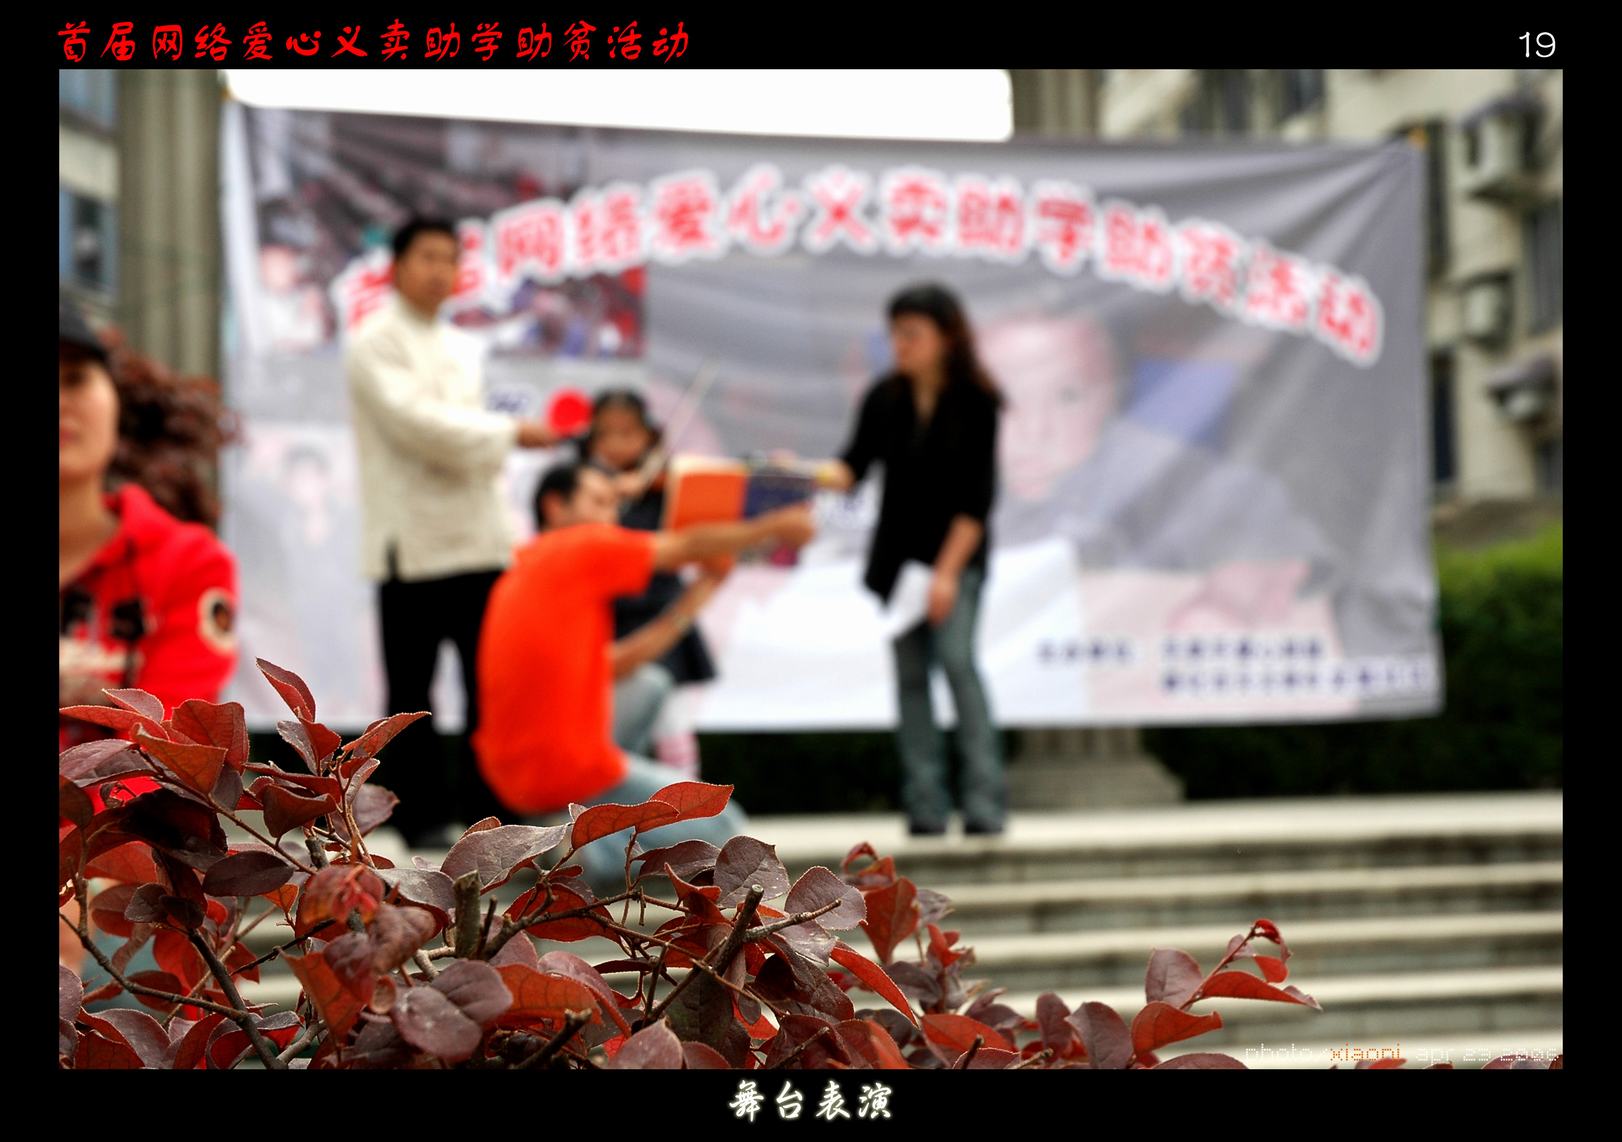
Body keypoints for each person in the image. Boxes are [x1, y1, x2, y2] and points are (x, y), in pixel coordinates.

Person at [474, 461, 815, 890]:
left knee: (649, 684)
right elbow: (683, 545)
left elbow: (619, 664)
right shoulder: (575, 546)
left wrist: (704, 589)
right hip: (563, 768)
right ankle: (585, 853)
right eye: (599, 502)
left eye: (613, 505)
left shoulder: (534, 569)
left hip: (517, 771)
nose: (610, 517)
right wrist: (771, 527)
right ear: (555, 506)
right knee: (727, 831)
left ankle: (573, 828)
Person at [344, 217, 561, 848]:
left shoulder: (464, 346)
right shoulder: (373, 341)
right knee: (411, 693)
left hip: (477, 537)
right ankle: (415, 817)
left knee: (489, 685)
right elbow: (416, 425)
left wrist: (496, 438)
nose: (440, 270)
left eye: (449, 258)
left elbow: (458, 436)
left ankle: (493, 811)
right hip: (411, 542)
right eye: (427, 256)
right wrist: (508, 433)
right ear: (396, 267)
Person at [59, 296, 240, 970]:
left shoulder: (187, 562)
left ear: (115, 401)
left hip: (120, 860)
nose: (60, 402)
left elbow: (162, 751)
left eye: (75, 378)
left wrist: (71, 869)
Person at [812, 283, 1006, 837]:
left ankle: (984, 803)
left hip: (954, 562)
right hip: (899, 566)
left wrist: (946, 575)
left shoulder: (976, 402)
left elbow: (976, 501)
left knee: (959, 667)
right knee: (911, 680)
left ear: (946, 337)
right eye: (895, 333)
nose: (900, 344)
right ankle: (925, 806)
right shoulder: (885, 398)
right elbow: (852, 467)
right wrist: (802, 472)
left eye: (912, 333)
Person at [581, 389, 717, 777]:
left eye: (628, 433)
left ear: (649, 437)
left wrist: (658, 481)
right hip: (609, 616)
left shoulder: (667, 483)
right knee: (611, 719)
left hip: (660, 610)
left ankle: (687, 798)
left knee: (671, 717)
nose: (617, 444)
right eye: (606, 434)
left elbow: (700, 505)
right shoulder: (584, 484)